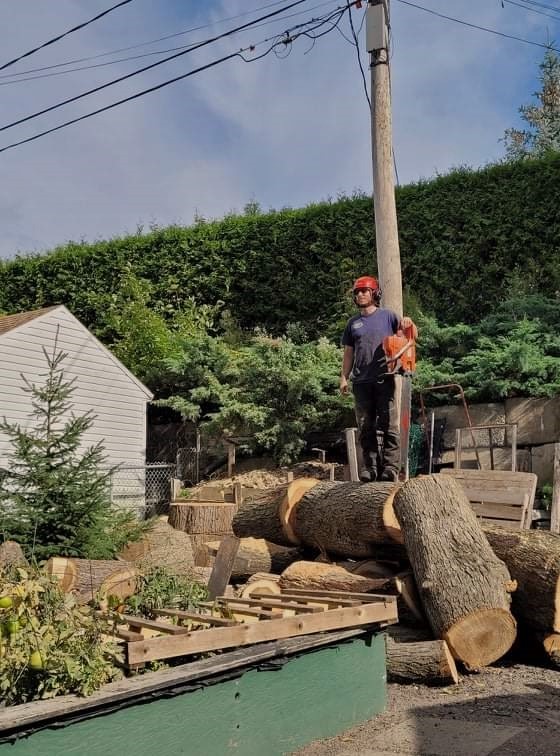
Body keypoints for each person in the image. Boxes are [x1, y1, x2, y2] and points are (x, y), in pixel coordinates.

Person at [340, 275, 417, 483]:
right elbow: (349, 353)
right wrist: (344, 378)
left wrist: (408, 323)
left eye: (365, 291)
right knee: (366, 427)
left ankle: (390, 467)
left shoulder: (388, 317)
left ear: (374, 294)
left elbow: (407, 339)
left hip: (385, 378)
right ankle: (371, 468)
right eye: (357, 292)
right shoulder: (352, 324)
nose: (361, 294)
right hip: (361, 382)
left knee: (389, 425)